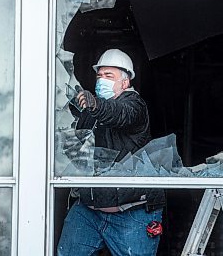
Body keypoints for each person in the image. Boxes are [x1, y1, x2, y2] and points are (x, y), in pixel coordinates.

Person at [57, 49, 165, 256]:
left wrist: (95, 104)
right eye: (99, 75)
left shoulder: (135, 106)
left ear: (125, 83)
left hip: (133, 213)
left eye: (109, 76)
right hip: (89, 211)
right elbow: (75, 145)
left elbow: (119, 113)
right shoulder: (91, 111)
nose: (101, 81)